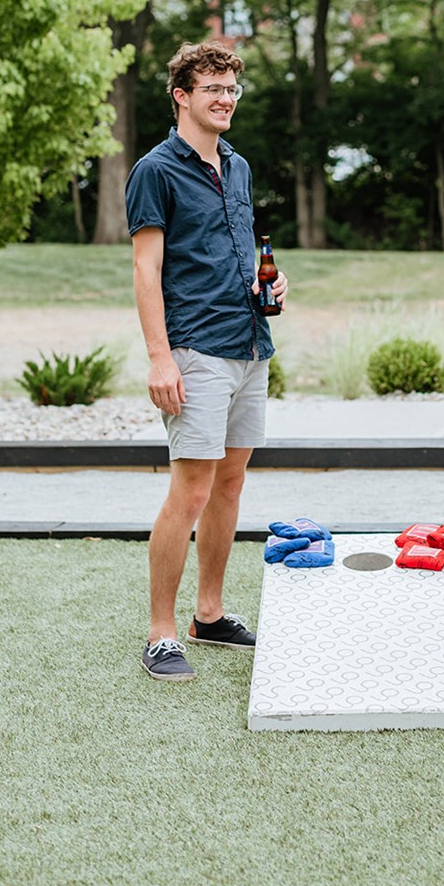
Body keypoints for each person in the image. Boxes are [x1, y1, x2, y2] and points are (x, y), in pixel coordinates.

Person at [125, 40, 287, 681]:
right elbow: (146, 269)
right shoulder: (155, 171)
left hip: (249, 345)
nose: (225, 100)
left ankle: (209, 614)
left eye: (231, 89)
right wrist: (159, 358)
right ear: (182, 96)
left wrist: (269, 284)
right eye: (212, 89)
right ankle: (161, 633)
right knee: (190, 490)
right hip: (194, 349)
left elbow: (238, 253)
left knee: (230, 483)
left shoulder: (239, 167)